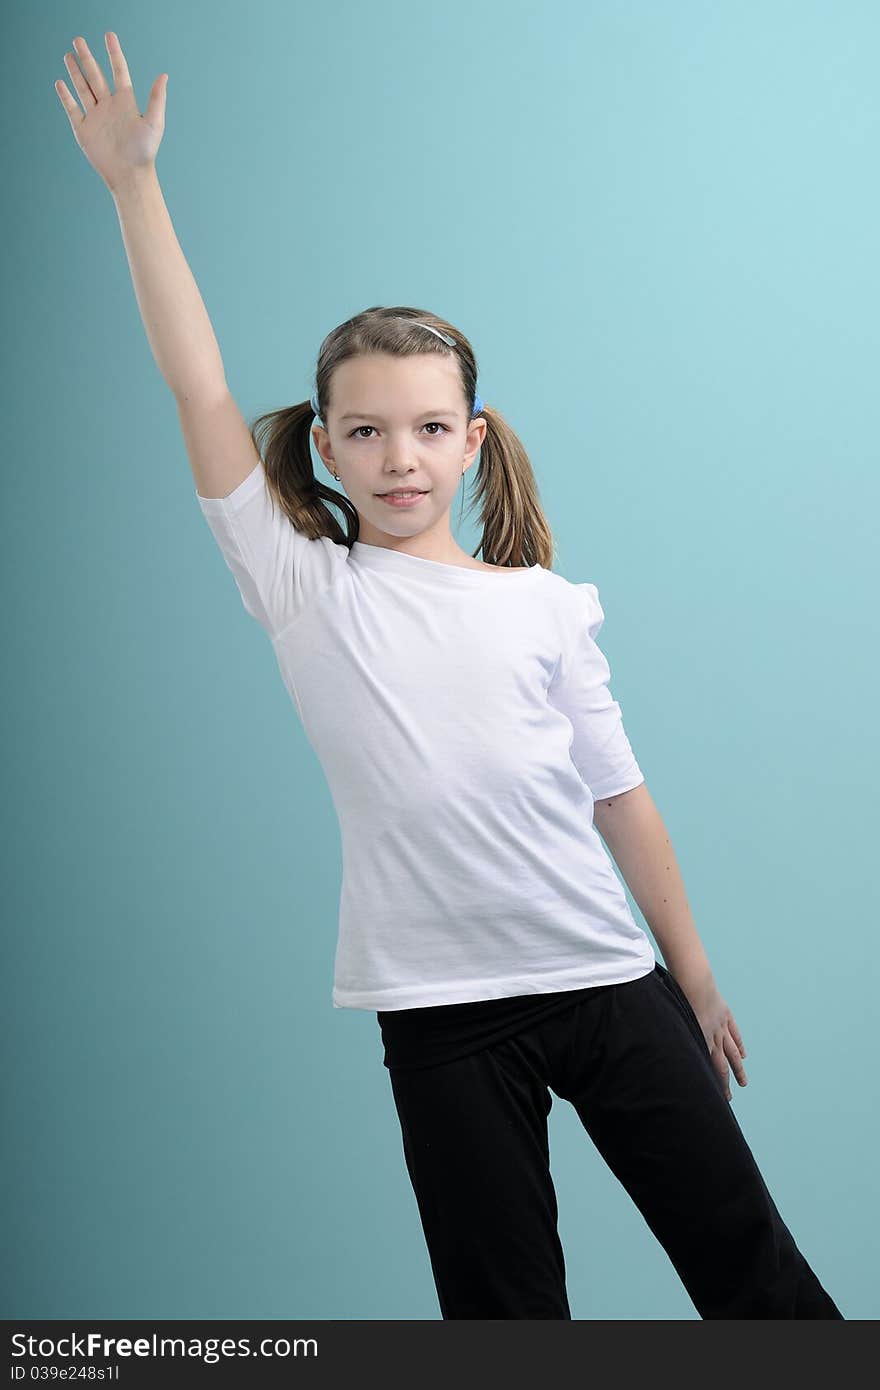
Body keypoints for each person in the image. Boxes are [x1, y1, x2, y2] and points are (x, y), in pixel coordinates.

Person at [56, 32, 844, 1321]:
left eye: (430, 428)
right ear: (326, 445)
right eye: (364, 431)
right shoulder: (306, 586)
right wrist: (135, 187)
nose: (399, 457)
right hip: (443, 1017)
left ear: (472, 440)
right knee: (502, 1312)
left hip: (607, 982)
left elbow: (620, 798)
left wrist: (691, 978)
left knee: (755, 1280)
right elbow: (194, 381)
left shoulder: (543, 604)